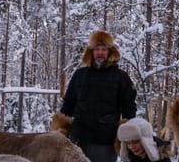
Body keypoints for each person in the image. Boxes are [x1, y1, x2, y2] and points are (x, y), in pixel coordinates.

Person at [52, 30, 137, 162]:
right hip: (78, 139)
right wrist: (62, 130)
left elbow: (129, 107)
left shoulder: (121, 77)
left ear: (110, 52)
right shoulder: (79, 75)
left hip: (105, 141)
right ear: (91, 52)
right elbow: (68, 103)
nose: (100, 53)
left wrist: (126, 132)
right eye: (97, 49)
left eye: (103, 49)